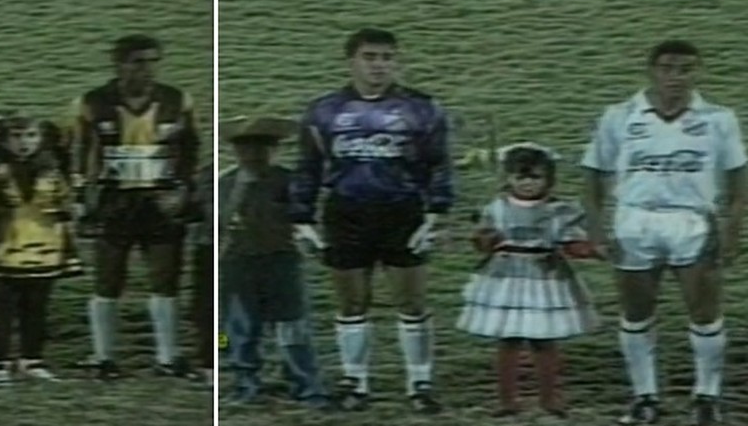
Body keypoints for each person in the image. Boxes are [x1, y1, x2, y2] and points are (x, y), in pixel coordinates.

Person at [581, 40, 747, 426]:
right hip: (635, 220)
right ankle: (644, 396)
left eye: (686, 69)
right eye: (668, 68)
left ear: (698, 72)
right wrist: (596, 229)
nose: (676, 77)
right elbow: (593, 174)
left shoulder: (719, 119)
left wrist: (733, 231)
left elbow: (739, 184)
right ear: (652, 70)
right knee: (637, 312)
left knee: (704, 312)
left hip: (692, 220)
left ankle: (707, 396)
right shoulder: (620, 116)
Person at [289, 28, 454, 413]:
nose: (379, 65)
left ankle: (420, 382)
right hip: (346, 213)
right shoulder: (324, 110)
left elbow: (438, 165)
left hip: (403, 212)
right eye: (370, 57)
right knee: (352, 303)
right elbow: (308, 167)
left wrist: (436, 214)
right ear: (351, 60)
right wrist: (301, 218)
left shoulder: (422, 108)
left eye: (387, 57)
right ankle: (355, 382)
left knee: (411, 301)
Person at [72, 34, 200, 380]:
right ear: (120, 64)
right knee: (108, 280)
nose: (148, 69)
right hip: (116, 202)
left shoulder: (176, 100)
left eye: (153, 61)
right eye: (139, 62)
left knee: (165, 279)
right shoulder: (94, 102)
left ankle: (169, 357)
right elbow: (84, 153)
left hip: (160, 202)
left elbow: (189, 152)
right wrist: (84, 200)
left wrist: (182, 192)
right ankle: (103, 357)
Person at [457, 143, 601, 418]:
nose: (527, 183)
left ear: (548, 179)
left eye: (535, 177)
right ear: (508, 178)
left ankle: (550, 397)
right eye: (519, 177)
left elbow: (572, 244)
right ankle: (507, 398)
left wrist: (591, 249)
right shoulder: (496, 208)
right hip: (505, 277)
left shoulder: (560, 210)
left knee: (544, 340)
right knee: (508, 340)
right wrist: (483, 239)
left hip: (545, 277)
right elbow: (482, 243)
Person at [0, 116, 84, 385]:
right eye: (17, 137)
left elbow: (66, 199)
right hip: (5, 245)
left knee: (38, 306)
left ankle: (32, 359)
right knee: (2, 308)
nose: (24, 143)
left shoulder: (52, 166)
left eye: (30, 136)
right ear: (5, 140)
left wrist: (70, 208)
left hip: (46, 245)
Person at [220, 115, 329, 408]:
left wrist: (311, 240)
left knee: (293, 327)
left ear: (274, 150)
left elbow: (303, 219)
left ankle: (305, 383)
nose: (254, 155)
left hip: (281, 262)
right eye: (247, 148)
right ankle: (243, 381)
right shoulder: (222, 183)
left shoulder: (289, 182)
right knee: (234, 330)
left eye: (263, 148)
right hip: (236, 264)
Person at [190, 162, 214, 387]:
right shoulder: (208, 174)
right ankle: (210, 358)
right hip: (209, 247)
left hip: (219, 248)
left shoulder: (209, 174)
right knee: (208, 310)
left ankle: (217, 353)